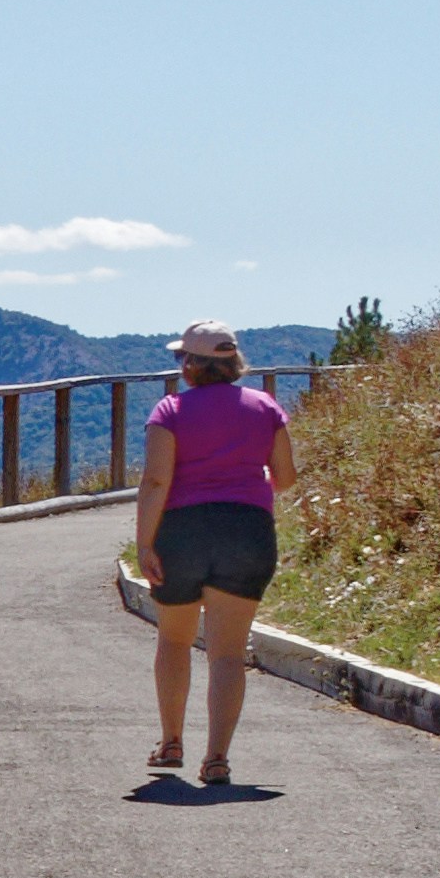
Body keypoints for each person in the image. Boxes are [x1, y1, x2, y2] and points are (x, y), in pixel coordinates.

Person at [135, 321, 295, 788]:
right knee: (226, 653)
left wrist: (145, 543)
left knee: (175, 639)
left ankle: (170, 743)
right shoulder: (265, 407)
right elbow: (285, 477)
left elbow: (156, 482)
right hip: (247, 530)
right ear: (232, 363)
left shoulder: (170, 410)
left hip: (182, 531)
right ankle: (218, 759)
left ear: (191, 365)